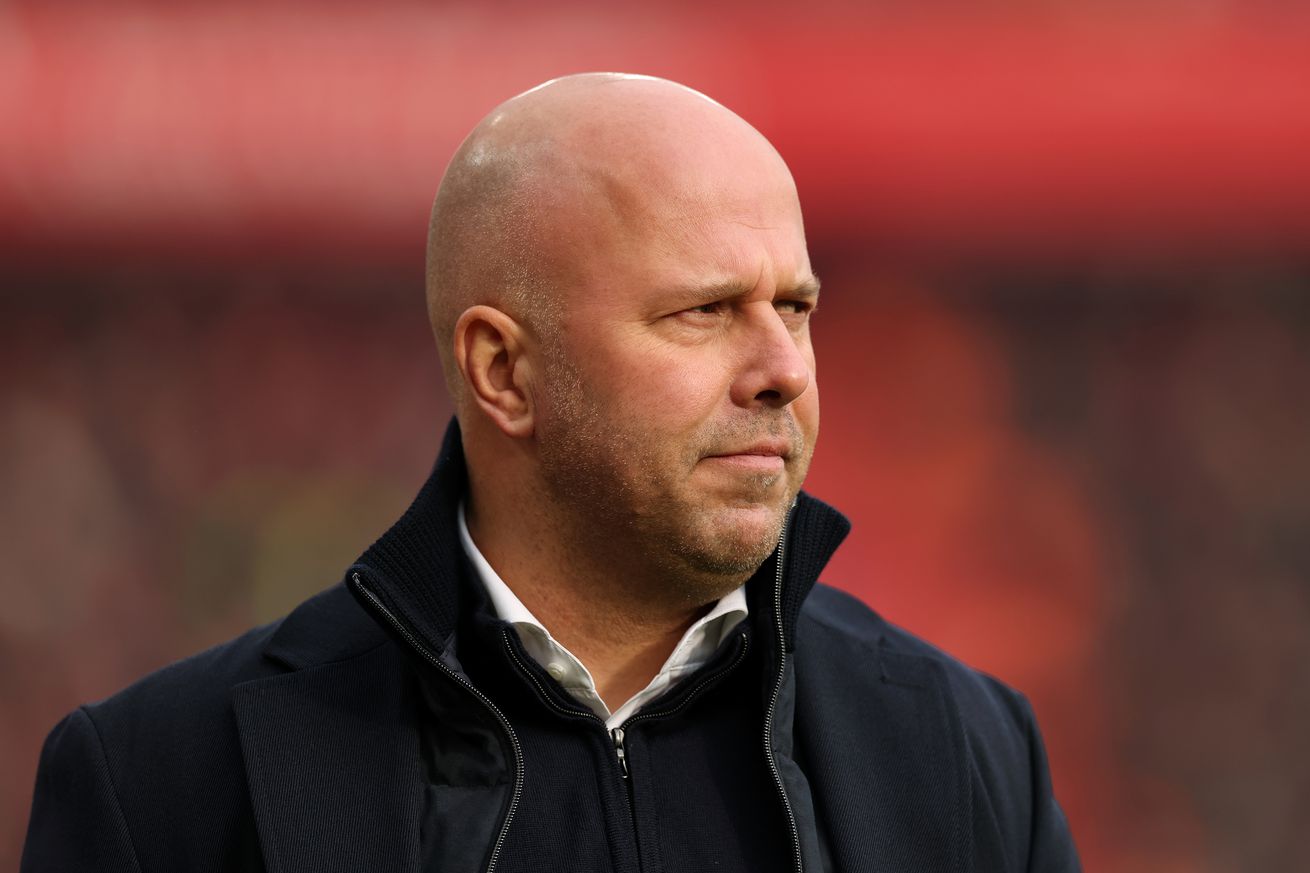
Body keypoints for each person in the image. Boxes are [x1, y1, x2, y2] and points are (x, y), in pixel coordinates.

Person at [22, 73, 1081, 872]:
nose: (781, 372)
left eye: (794, 308)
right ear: (503, 371)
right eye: (701, 311)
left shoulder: (963, 746)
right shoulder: (167, 784)